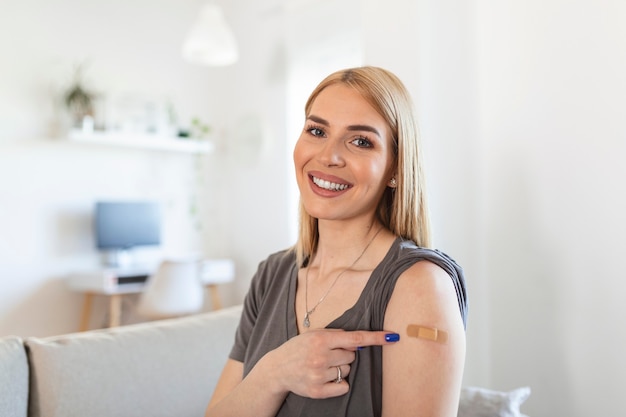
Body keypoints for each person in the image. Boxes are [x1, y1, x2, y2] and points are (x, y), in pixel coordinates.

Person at [205, 66, 468, 417]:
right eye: (317, 131)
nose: (329, 155)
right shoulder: (273, 274)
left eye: (360, 141)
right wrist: (274, 373)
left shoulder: (421, 286)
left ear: (395, 169)